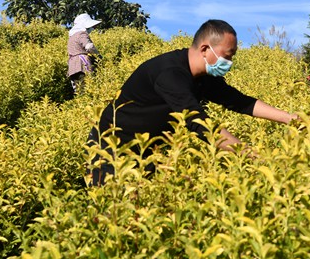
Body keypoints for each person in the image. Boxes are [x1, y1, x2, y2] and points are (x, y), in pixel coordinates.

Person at [87, 19, 298, 186]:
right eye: (228, 55)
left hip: (148, 151)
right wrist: (253, 156)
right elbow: (199, 124)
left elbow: (239, 102)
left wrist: (290, 119)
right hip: (111, 149)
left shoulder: (204, 77)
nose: (230, 62)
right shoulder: (170, 74)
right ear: (205, 49)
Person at [68, 13, 102, 95]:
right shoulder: (81, 34)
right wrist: (98, 54)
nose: (92, 28)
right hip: (82, 63)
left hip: (72, 66)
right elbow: (89, 46)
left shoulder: (72, 37)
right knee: (88, 87)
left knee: (79, 91)